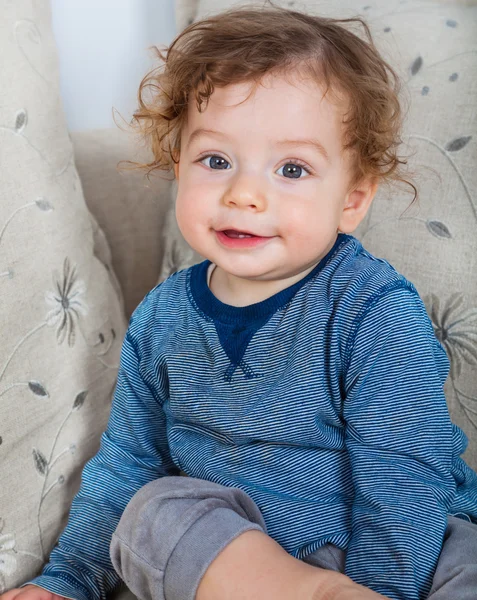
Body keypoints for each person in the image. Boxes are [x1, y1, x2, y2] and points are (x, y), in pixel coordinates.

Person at [3, 3, 477, 600]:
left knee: (465, 555)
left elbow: (404, 478)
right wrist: (66, 580)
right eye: (217, 160)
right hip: (245, 567)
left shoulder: (373, 309)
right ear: (179, 167)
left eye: (292, 168)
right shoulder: (162, 318)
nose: (245, 193)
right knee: (153, 512)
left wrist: (382, 586)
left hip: (396, 553)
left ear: (352, 200)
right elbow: (127, 458)